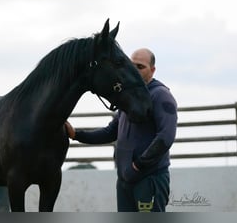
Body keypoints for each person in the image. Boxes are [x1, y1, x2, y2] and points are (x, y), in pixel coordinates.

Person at [65, 48, 177, 212]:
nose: (136, 70)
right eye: (133, 66)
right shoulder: (131, 96)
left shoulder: (160, 95)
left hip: (149, 178)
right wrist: (76, 134)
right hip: (125, 180)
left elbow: (166, 137)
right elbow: (111, 132)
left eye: (141, 67)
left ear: (152, 70)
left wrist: (138, 166)